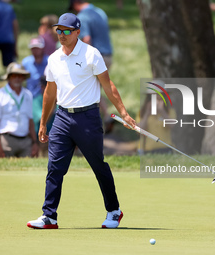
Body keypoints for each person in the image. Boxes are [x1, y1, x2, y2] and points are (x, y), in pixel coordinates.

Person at [27, 13, 136, 229]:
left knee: (98, 166)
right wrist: (42, 122)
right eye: (59, 30)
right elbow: (50, 92)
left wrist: (123, 112)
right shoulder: (54, 58)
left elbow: (108, 85)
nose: (62, 35)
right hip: (62, 118)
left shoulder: (91, 54)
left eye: (67, 31)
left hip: (88, 117)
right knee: (55, 167)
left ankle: (114, 211)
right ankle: (49, 216)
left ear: (77, 32)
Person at [69, 0, 115, 133]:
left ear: (76, 4)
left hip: (96, 56)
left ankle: (96, 121)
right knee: (94, 87)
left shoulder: (83, 17)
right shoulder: (100, 12)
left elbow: (87, 39)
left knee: (89, 89)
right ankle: (105, 117)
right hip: (108, 55)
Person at [0, 62, 39, 158]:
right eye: (14, 75)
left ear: (23, 77)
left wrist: (34, 142)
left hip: (25, 140)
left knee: (27, 170)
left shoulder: (28, 95)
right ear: (9, 77)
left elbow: (30, 121)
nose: (17, 78)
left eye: (20, 75)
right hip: (7, 140)